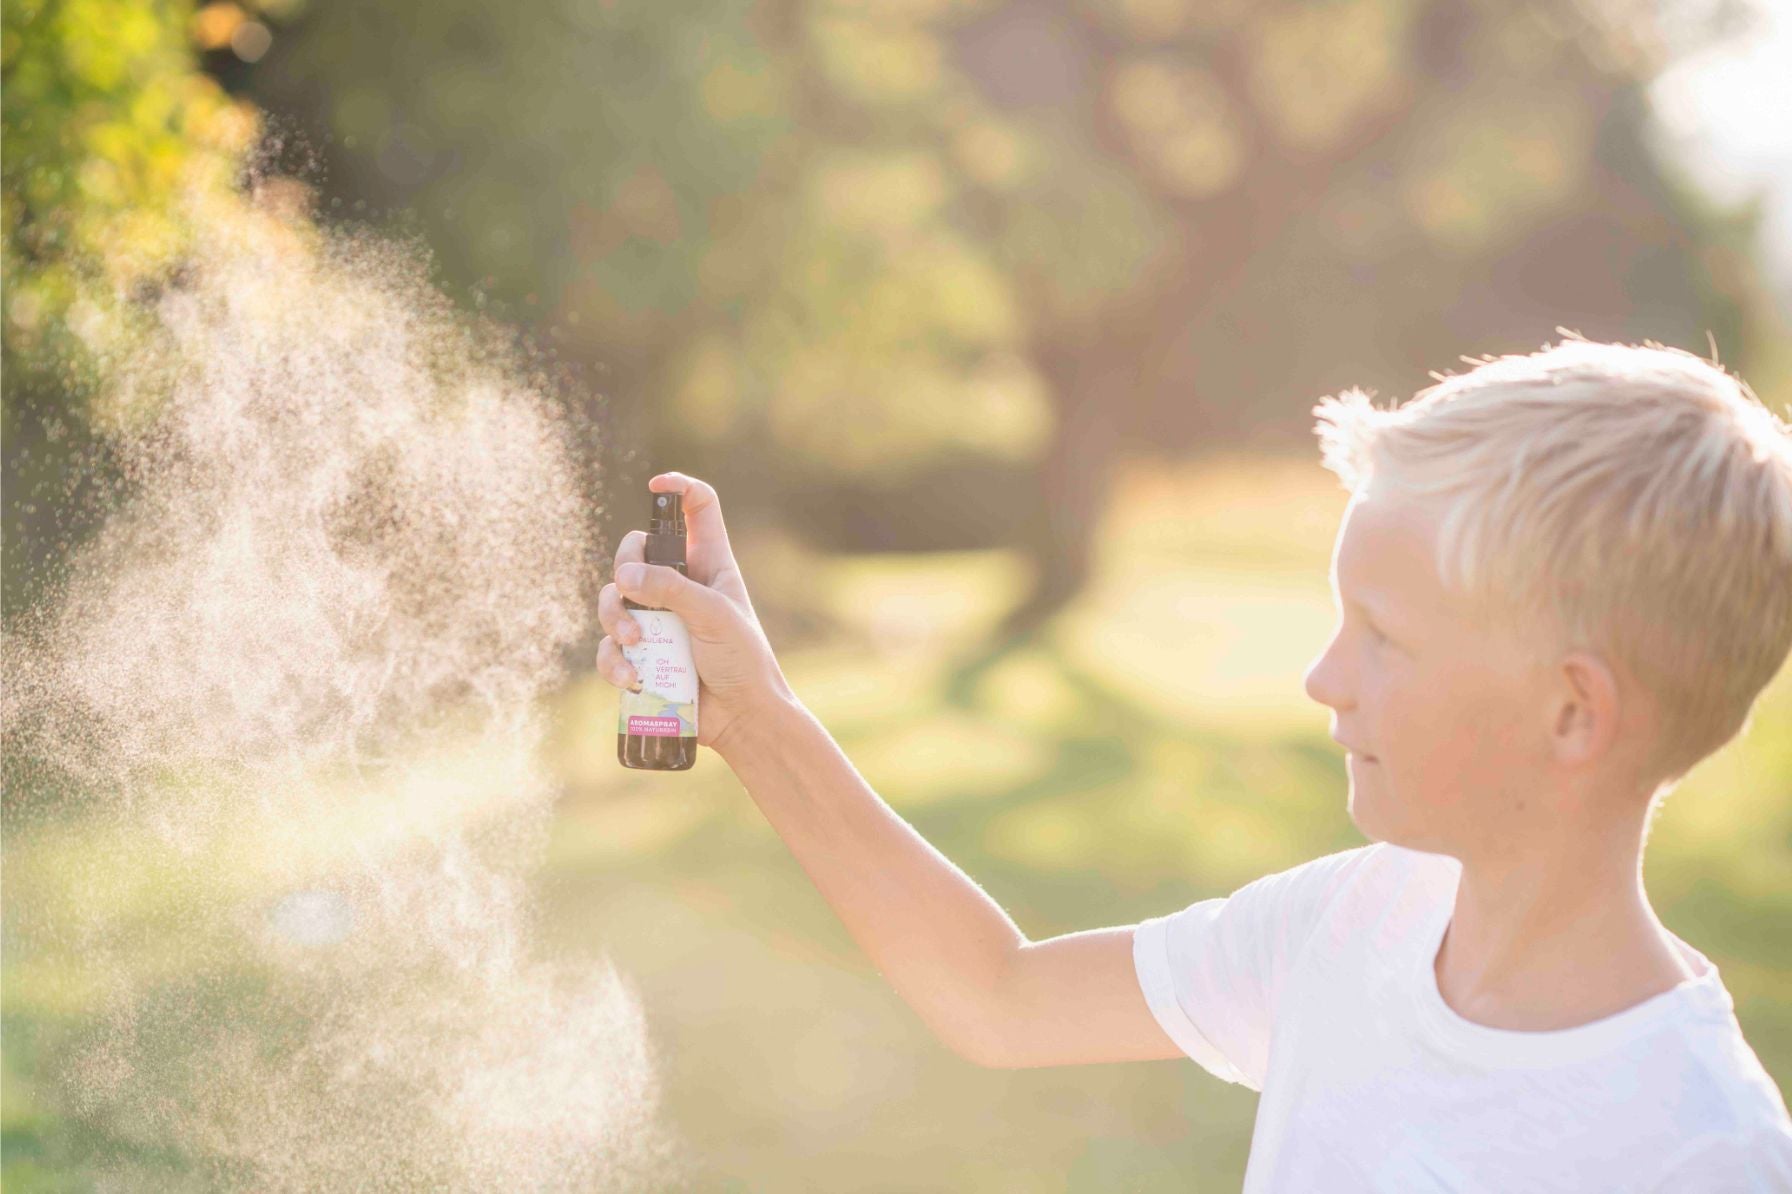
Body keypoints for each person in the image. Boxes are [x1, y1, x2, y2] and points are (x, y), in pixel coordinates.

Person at [595, 337, 1792, 1191]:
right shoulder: (1350, 922)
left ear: (1573, 715)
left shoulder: (1699, 1151)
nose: (1324, 677)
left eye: (1384, 636)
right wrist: (753, 714)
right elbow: (997, 996)